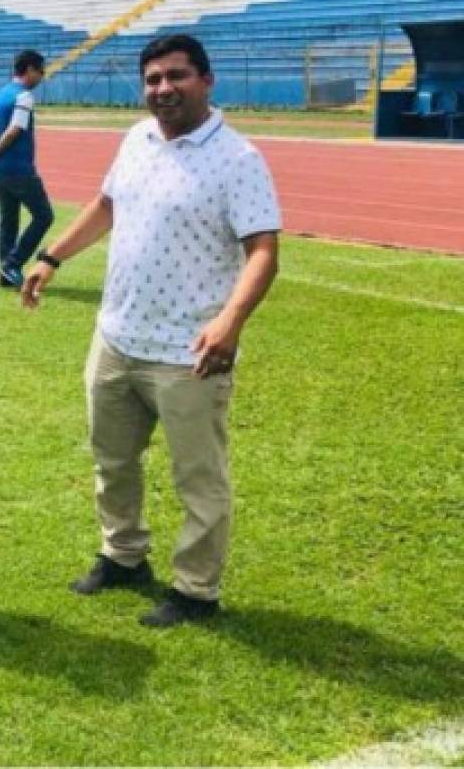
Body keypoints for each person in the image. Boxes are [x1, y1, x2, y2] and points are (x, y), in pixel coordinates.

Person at [23, 34, 281, 628]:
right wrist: (52, 257)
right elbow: (108, 206)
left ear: (207, 81)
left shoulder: (237, 159)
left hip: (188, 351)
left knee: (199, 477)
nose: (163, 89)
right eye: (153, 79)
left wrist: (229, 321)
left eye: (177, 76)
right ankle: (123, 555)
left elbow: (263, 249)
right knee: (112, 460)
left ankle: (195, 589)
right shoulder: (135, 139)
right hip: (117, 337)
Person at [0, 49, 55, 289]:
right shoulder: (24, 96)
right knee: (44, 216)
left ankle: (5, 273)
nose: (42, 76)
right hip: (19, 169)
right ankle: (12, 264)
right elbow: (15, 129)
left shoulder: (0, 93)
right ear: (30, 69)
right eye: (40, 70)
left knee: (8, 220)